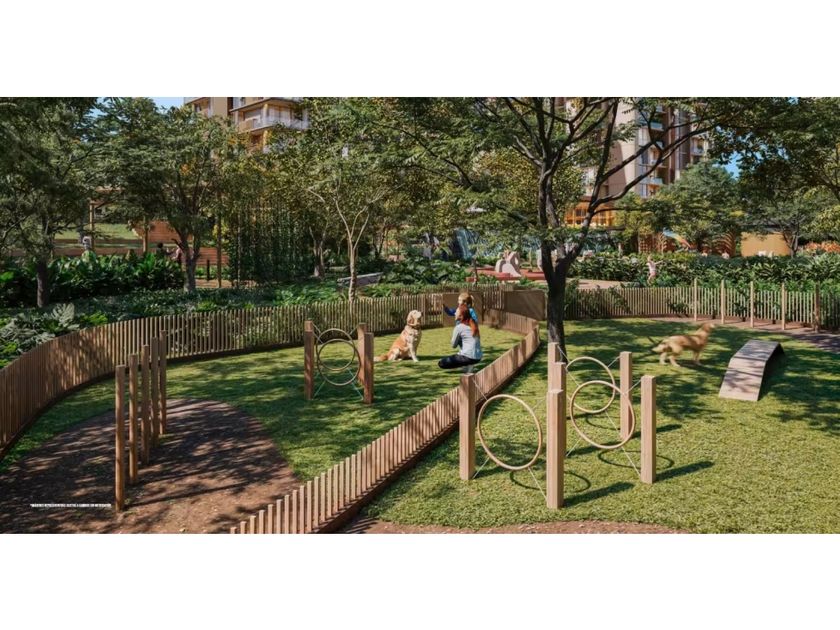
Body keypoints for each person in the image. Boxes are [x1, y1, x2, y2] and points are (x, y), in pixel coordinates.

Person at [438, 304, 483, 370]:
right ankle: (467, 364)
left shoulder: (459, 327)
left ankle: (466, 365)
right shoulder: (473, 324)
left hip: (468, 357)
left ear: (460, 316)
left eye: (456, 312)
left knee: (441, 363)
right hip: (478, 357)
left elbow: (453, 345)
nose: (455, 313)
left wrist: (458, 339)